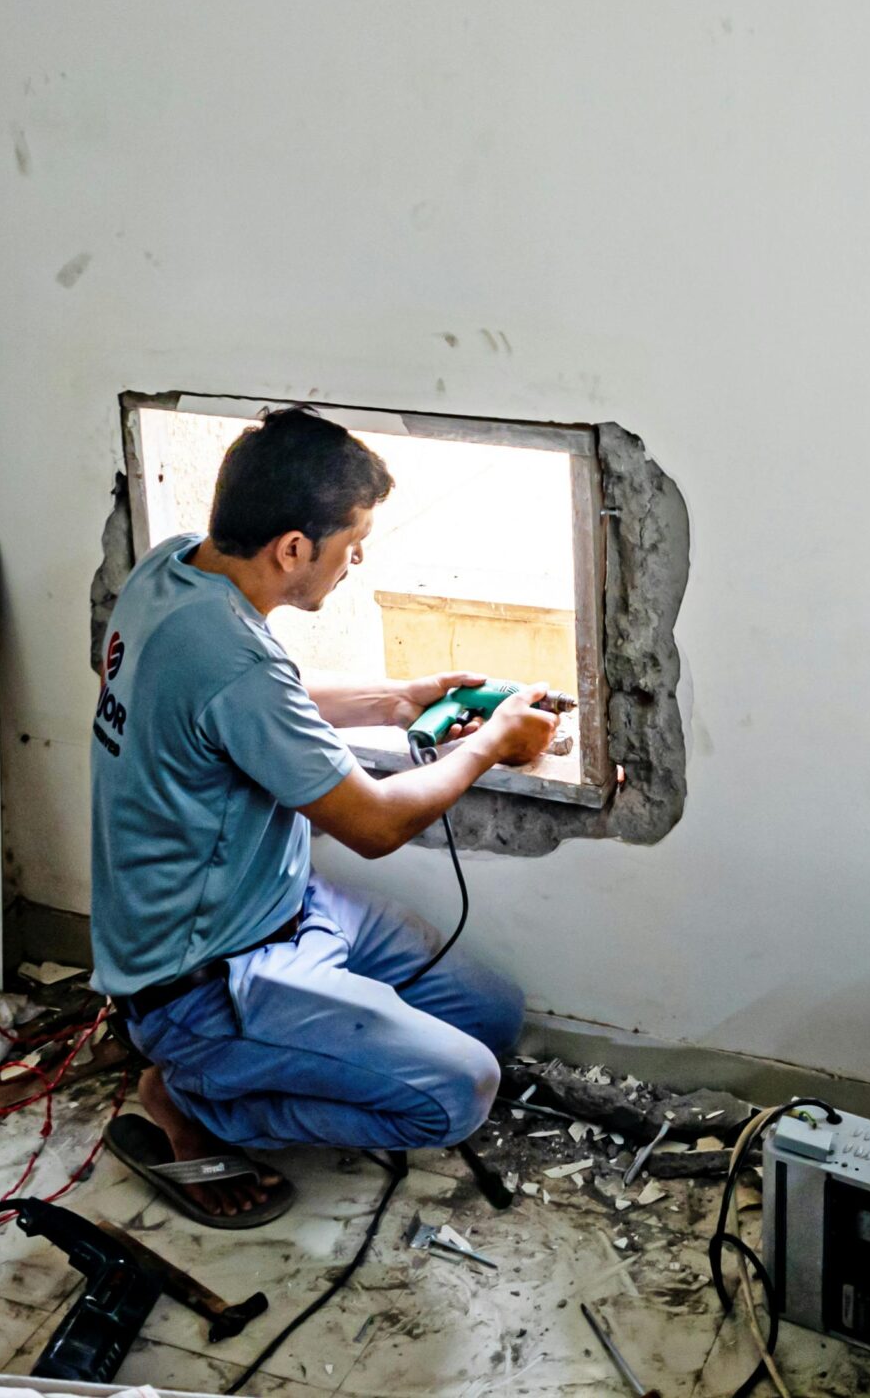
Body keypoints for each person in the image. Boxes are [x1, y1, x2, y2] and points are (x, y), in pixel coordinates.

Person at [89, 406, 559, 1225]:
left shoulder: (172, 572)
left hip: (283, 907)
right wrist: (489, 748)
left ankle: (257, 1057)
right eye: (351, 542)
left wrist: (398, 699)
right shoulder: (232, 656)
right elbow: (374, 826)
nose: (359, 558)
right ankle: (198, 1101)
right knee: (458, 1092)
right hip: (205, 981)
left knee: (492, 1017)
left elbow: (256, 706)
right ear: (293, 549)